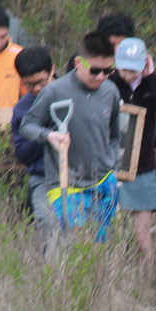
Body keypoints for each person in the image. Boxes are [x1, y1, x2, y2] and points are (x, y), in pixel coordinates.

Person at [19, 32, 120, 242]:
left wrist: (111, 166)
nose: (101, 77)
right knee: (77, 245)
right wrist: (49, 136)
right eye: (95, 71)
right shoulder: (54, 91)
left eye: (108, 70)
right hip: (66, 184)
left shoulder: (110, 91)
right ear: (78, 63)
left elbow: (114, 134)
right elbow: (27, 125)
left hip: (103, 182)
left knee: (102, 246)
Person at [110, 37, 156, 270]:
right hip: (112, 166)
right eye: (124, 69)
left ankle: (147, 280)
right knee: (114, 231)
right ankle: (114, 278)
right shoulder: (109, 82)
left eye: (133, 69)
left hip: (144, 166)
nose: (128, 75)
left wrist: (152, 78)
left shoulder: (152, 83)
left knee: (142, 234)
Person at [10, 47, 56, 228]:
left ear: (52, 70)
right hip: (44, 177)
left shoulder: (72, 92)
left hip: (81, 176)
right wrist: (43, 133)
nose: (36, 89)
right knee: (48, 222)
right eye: (29, 84)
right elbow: (23, 154)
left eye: (41, 82)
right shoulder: (22, 109)